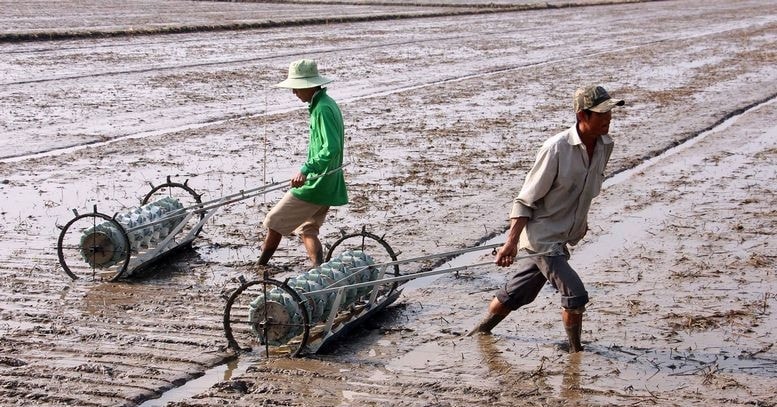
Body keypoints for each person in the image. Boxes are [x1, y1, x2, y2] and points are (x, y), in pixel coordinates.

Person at [467, 85, 625, 353]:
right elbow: (525, 199)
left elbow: (585, 190)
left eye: (610, 112)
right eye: (601, 113)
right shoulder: (556, 149)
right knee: (575, 296)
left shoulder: (604, 146)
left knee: (515, 295)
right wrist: (510, 243)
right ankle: (576, 351)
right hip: (543, 237)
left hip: (563, 236)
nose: (608, 118)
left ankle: (478, 333)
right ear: (582, 116)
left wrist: (579, 223)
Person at [258, 59, 348, 268]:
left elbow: (331, 147)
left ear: (309, 85)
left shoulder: (322, 110)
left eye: (297, 88)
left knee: (274, 220)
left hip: (316, 182)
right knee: (308, 229)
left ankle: (260, 266)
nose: (294, 93)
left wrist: (307, 170)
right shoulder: (326, 104)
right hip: (328, 180)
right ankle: (319, 270)